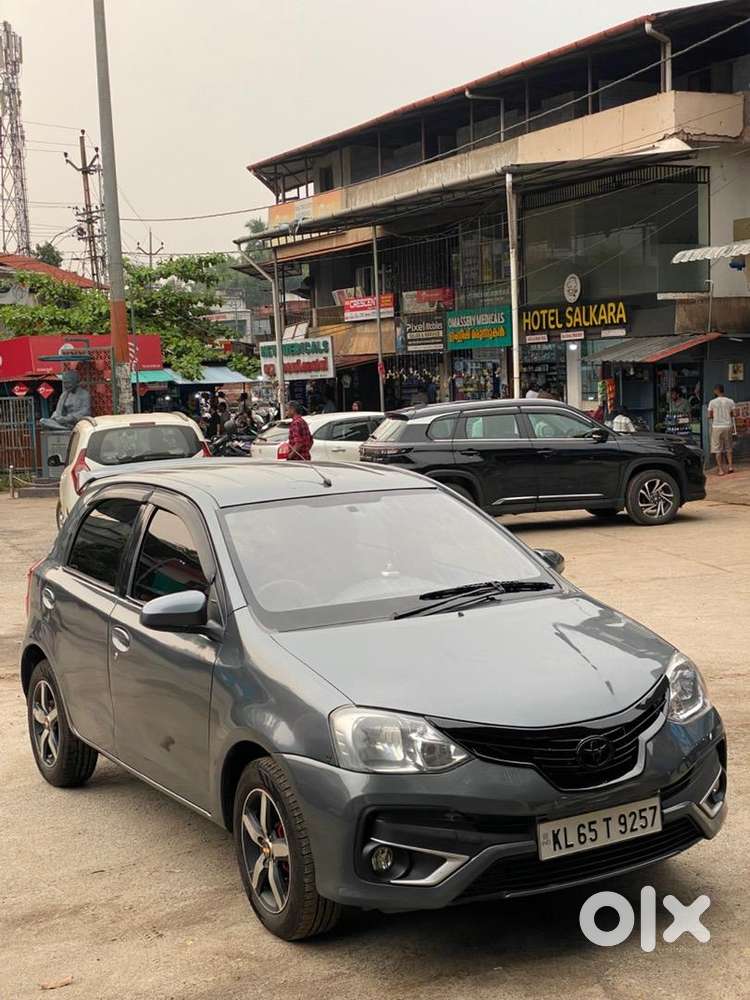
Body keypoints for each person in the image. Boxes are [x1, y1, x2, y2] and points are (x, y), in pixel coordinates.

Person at [708, 384, 736, 475]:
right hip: (727, 426)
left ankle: (720, 470)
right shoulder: (730, 401)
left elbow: (709, 416)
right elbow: (734, 414)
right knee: (729, 447)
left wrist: (716, 416)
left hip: (717, 427)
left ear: (716, 391)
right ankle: (730, 467)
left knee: (717, 449)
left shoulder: (712, 402)